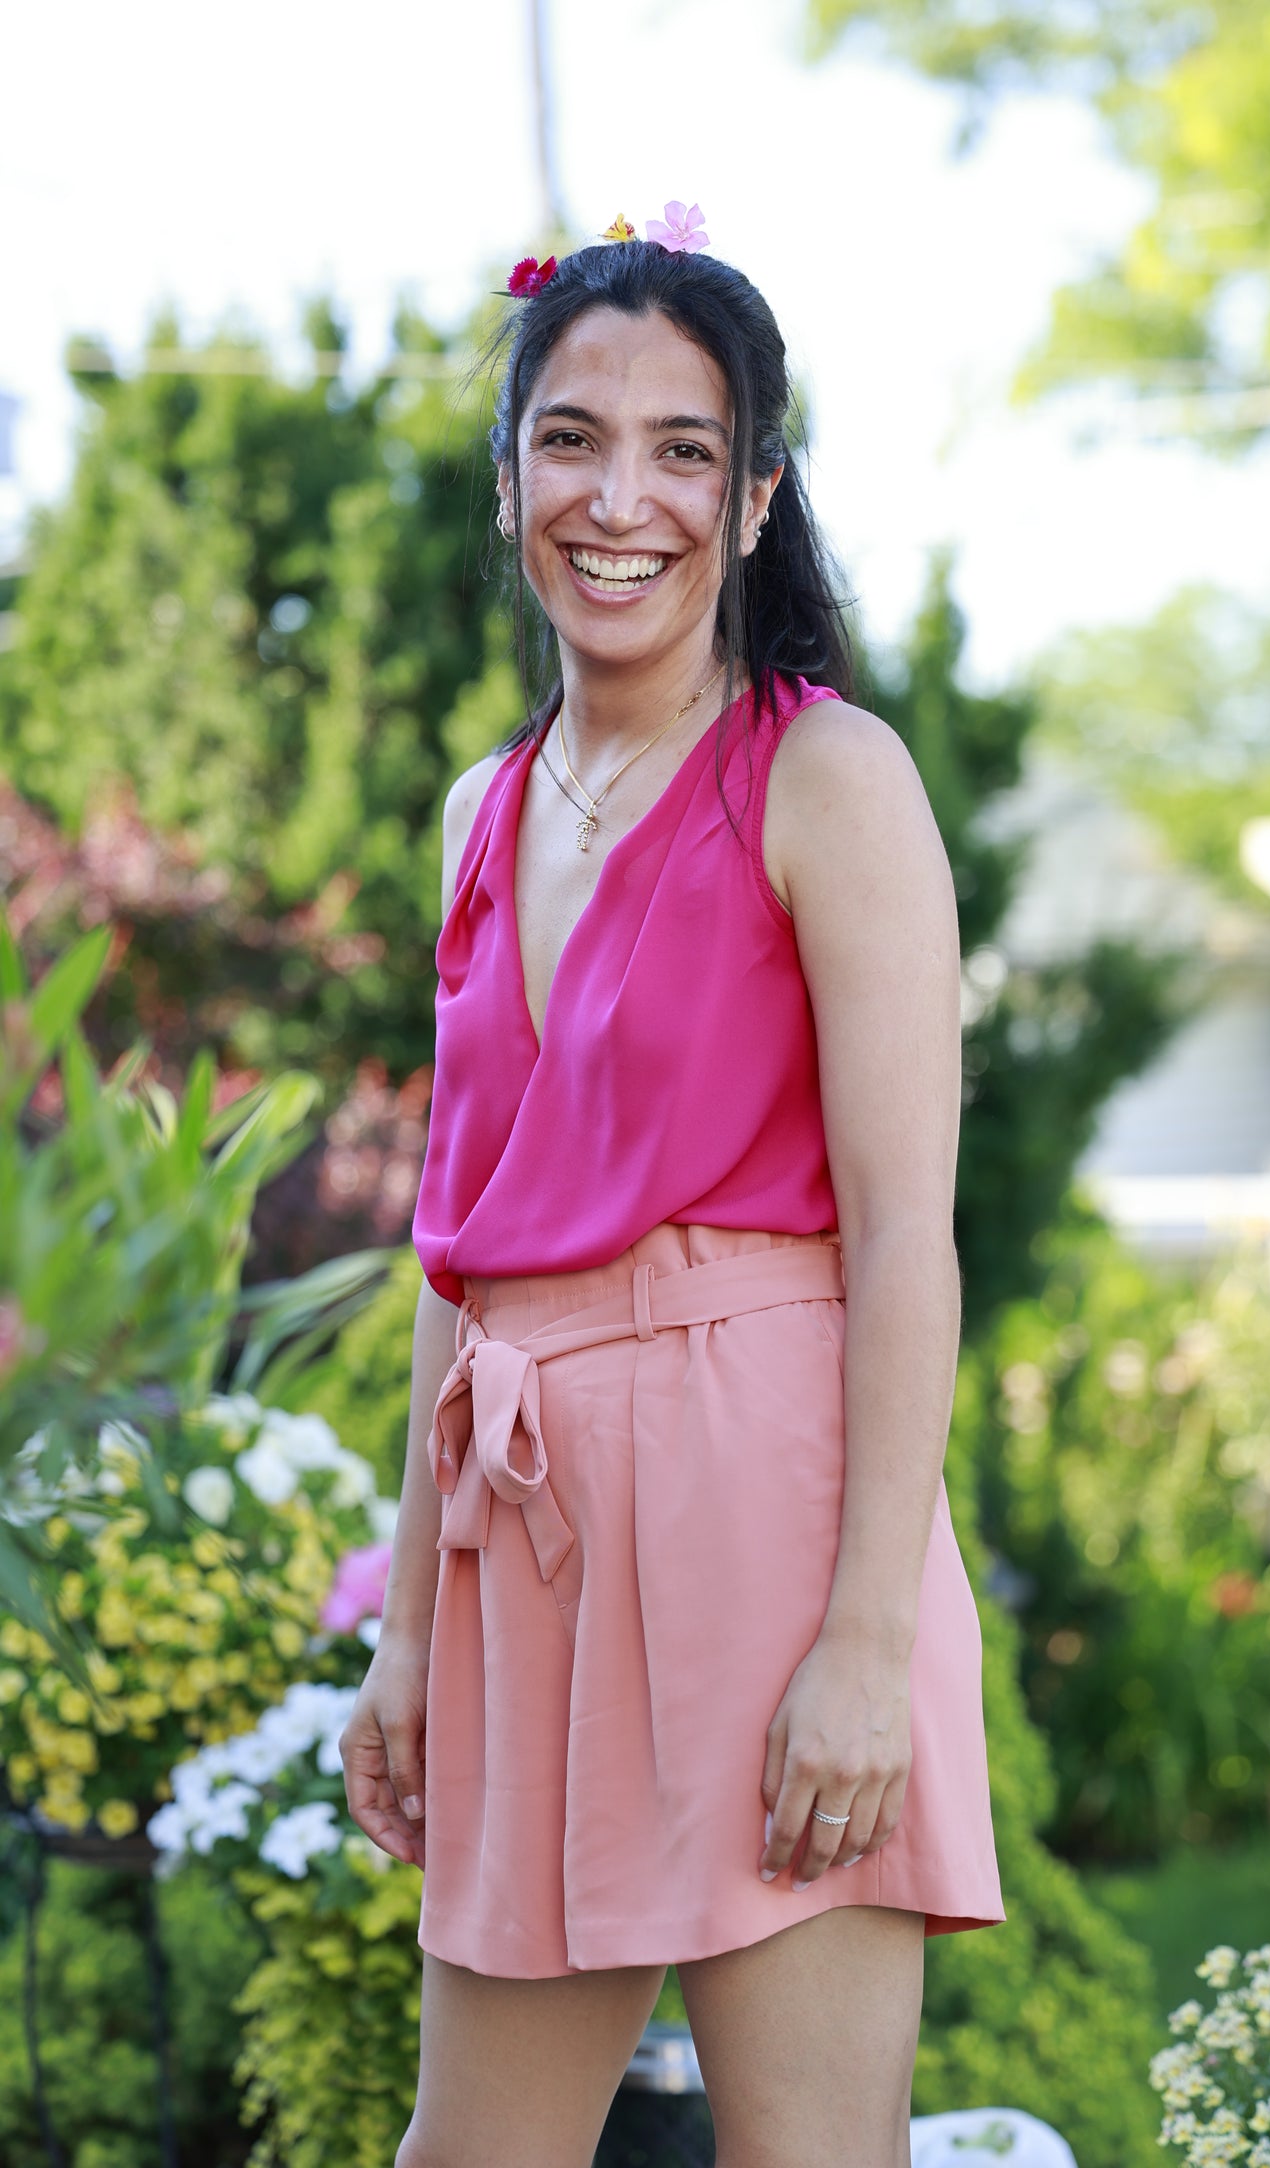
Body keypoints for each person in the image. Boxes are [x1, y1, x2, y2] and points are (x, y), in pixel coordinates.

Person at [339, 211, 1003, 2168]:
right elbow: (462, 1261)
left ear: (757, 490)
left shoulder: (828, 779)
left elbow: (903, 1235)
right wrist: (404, 1636)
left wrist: (867, 1637)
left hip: (766, 1519)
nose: (620, 498)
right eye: (571, 439)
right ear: (509, 473)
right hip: (515, 1534)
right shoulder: (481, 808)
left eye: (685, 450)